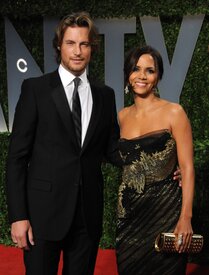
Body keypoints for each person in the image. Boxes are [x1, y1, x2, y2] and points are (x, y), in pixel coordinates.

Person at [6, 11, 120, 275]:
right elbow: (17, 158)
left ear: (92, 47)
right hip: (41, 216)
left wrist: (160, 162)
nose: (77, 51)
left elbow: (113, 150)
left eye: (84, 44)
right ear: (59, 45)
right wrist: (18, 217)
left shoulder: (105, 95)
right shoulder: (35, 89)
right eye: (71, 43)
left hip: (87, 216)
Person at [116, 45, 194, 275]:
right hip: (129, 216)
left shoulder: (174, 112)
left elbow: (187, 168)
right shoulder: (121, 116)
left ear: (158, 76)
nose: (141, 76)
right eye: (136, 69)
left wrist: (185, 218)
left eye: (149, 70)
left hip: (165, 212)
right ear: (128, 75)